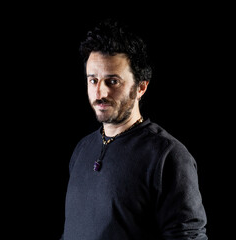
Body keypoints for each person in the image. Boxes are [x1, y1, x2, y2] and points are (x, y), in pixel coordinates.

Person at [60, 19, 208, 240]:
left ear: (141, 87)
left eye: (112, 82)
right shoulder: (82, 149)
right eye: (93, 80)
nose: (100, 92)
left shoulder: (168, 156)